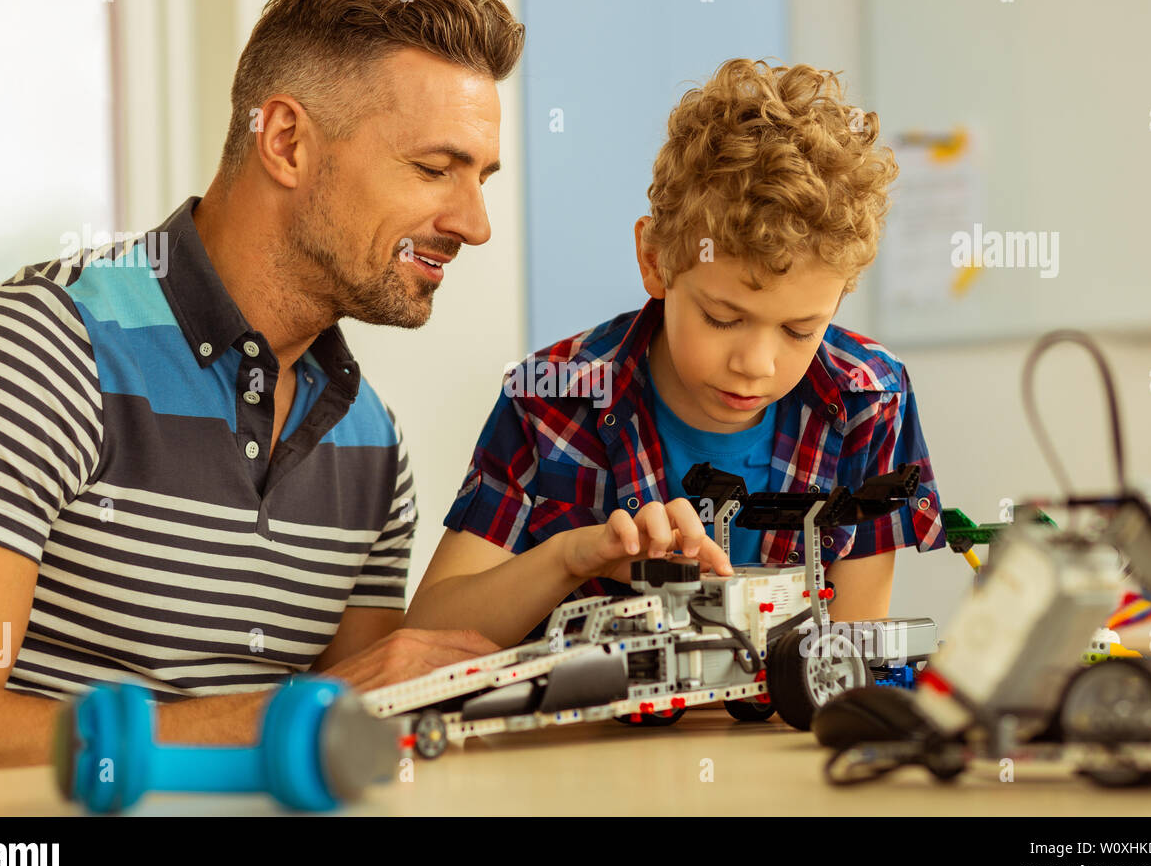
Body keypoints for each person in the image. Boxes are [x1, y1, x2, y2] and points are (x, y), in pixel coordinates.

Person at [0, 0, 524, 771]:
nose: (474, 224)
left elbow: (354, 747)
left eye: (483, 178)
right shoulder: (28, 355)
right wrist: (294, 712)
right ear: (286, 142)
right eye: (436, 167)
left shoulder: (373, 445)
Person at [406, 59, 948, 647]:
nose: (756, 364)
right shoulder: (550, 395)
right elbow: (427, 638)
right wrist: (570, 559)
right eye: (722, 317)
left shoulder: (871, 399)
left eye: (798, 330)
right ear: (655, 260)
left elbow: (847, 659)